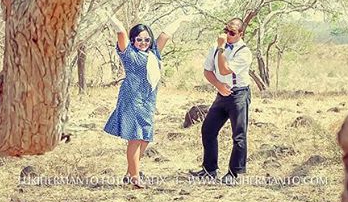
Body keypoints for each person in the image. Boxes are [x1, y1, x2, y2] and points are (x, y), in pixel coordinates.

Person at [103, 14, 184, 189]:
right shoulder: (130, 55)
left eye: (147, 39)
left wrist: (181, 19)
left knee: (145, 138)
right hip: (132, 100)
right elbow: (121, 33)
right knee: (135, 138)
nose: (143, 42)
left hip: (148, 102)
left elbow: (164, 36)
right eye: (139, 39)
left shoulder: (153, 54)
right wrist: (110, 17)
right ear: (133, 41)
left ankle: (129, 173)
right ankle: (135, 178)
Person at [189, 18, 253, 185]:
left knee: (239, 134)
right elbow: (208, 71)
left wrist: (221, 48)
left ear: (240, 34)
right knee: (208, 129)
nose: (227, 35)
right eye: (226, 30)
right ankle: (209, 170)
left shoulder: (244, 52)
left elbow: (224, 69)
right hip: (221, 93)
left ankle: (234, 173)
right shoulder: (216, 48)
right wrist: (218, 85)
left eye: (232, 33)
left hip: (238, 94)